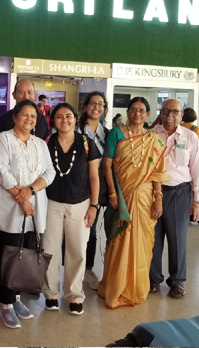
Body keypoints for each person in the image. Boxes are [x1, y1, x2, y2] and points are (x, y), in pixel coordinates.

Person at [96, 98, 170, 309]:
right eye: (134, 110)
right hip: (121, 195)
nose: (137, 113)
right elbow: (107, 165)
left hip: (146, 198)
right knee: (119, 238)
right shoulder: (116, 133)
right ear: (128, 112)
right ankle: (116, 287)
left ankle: (136, 289)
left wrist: (158, 198)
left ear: (148, 115)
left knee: (143, 243)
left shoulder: (153, 140)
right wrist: (111, 193)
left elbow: (157, 173)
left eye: (142, 111)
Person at [0, 99, 54, 328]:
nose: (29, 119)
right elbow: (2, 172)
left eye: (33, 116)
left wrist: (31, 190)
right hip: (9, 207)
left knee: (25, 253)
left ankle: (16, 298)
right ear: (15, 117)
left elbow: (50, 171)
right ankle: (5, 304)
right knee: (9, 254)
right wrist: (23, 198)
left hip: (35, 205)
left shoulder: (40, 144)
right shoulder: (2, 139)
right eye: (24, 115)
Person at [42, 103, 102, 315]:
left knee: (77, 251)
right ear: (53, 120)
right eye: (59, 116)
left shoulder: (86, 143)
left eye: (68, 116)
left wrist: (94, 206)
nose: (64, 120)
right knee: (49, 250)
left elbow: (94, 177)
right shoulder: (46, 143)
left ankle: (75, 295)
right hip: (52, 204)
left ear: (75, 119)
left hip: (80, 204)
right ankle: (50, 294)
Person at [148, 99, 199, 298]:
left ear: (182, 115)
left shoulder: (190, 137)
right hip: (153, 192)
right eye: (165, 111)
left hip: (179, 192)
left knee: (177, 238)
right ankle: (153, 279)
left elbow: (197, 169)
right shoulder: (151, 135)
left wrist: (197, 200)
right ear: (160, 114)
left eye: (174, 112)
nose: (169, 115)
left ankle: (177, 282)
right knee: (153, 239)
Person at [78, 93, 110, 290]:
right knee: (73, 230)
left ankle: (88, 269)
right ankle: (72, 268)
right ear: (85, 106)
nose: (96, 107)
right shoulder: (75, 129)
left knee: (92, 228)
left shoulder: (107, 133)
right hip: (78, 184)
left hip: (98, 186)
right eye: (93, 103)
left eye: (100, 104)